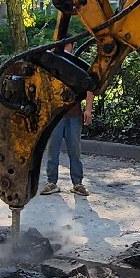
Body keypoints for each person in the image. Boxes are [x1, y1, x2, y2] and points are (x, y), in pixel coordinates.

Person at [41, 38, 93, 196]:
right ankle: (52, 182)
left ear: (72, 45)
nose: (64, 47)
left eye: (66, 44)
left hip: (74, 115)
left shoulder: (77, 65)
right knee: (53, 149)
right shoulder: (51, 65)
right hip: (56, 116)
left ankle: (77, 183)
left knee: (75, 150)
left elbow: (90, 87)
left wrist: (88, 110)